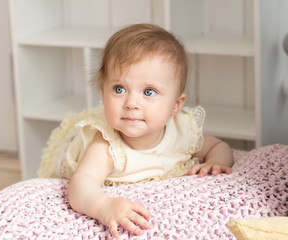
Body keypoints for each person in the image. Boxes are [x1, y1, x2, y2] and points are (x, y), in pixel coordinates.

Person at [38, 23, 234, 238]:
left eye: (149, 92)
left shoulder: (182, 132)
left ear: (176, 105)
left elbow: (218, 146)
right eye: (119, 89)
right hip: (73, 155)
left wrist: (216, 162)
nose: (131, 103)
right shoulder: (106, 145)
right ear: (103, 94)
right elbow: (79, 187)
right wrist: (104, 206)